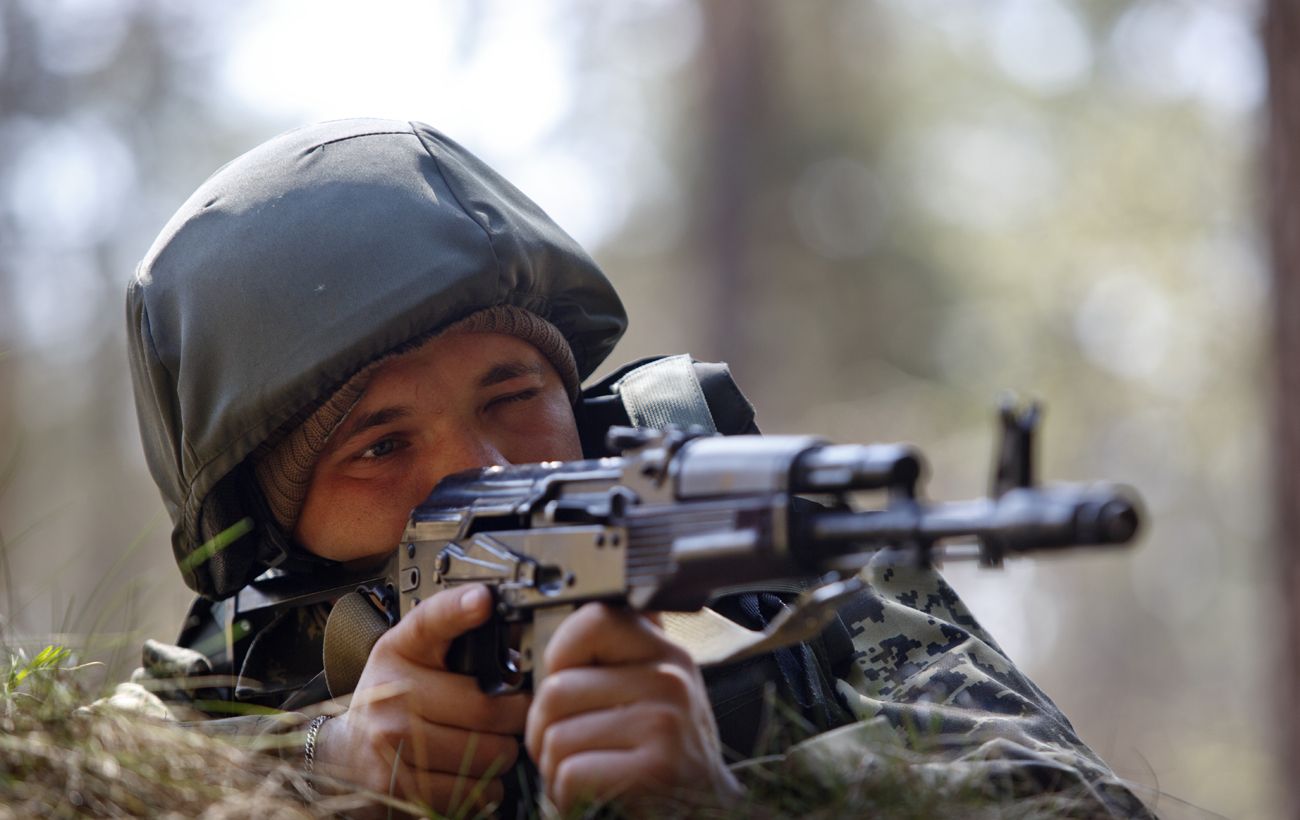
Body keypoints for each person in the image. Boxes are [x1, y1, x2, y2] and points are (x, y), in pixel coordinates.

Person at [122, 118, 1152, 817]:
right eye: (380, 446)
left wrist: (738, 792)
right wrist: (319, 777)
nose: (479, 466)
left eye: (513, 395)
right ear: (273, 526)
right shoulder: (215, 696)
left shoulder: (783, 579)